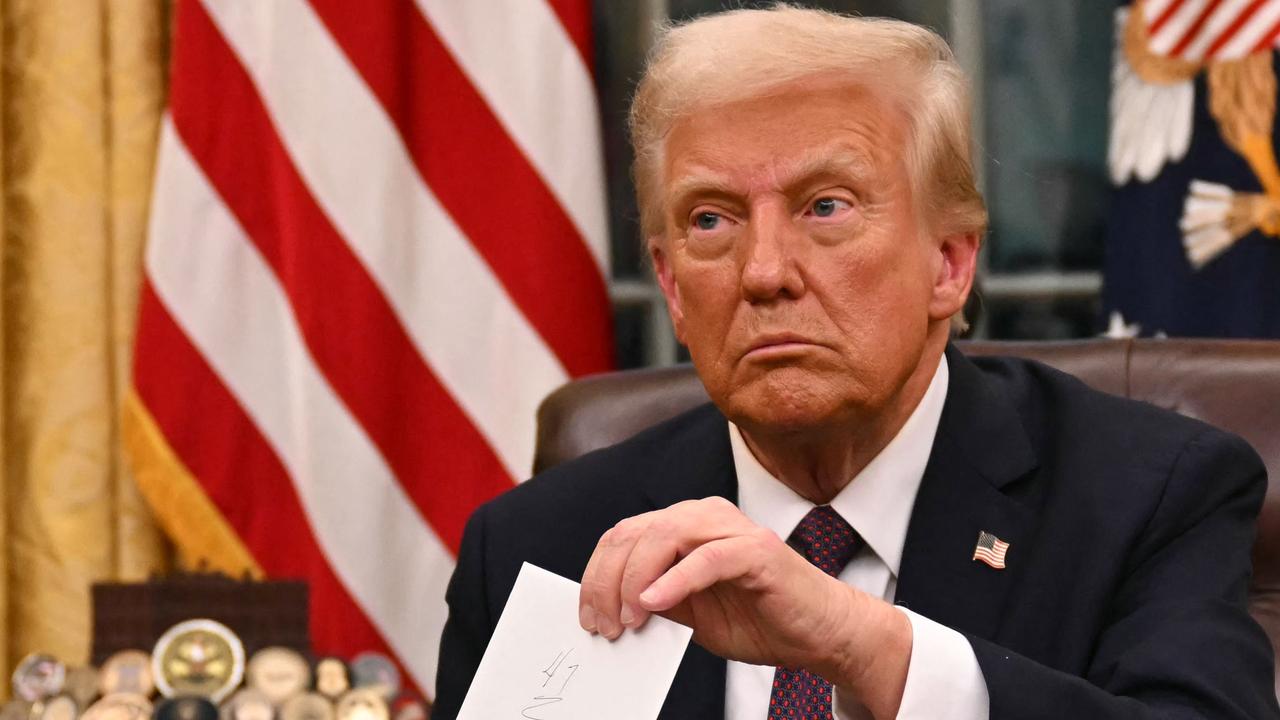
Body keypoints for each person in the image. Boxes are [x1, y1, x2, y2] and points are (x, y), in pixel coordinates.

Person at [431, 6, 1280, 719]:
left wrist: (857, 643)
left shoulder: (1147, 496)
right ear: (673, 290)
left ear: (949, 262)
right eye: (711, 221)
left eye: (825, 206)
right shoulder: (539, 547)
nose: (763, 272)